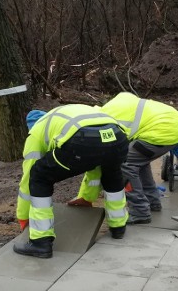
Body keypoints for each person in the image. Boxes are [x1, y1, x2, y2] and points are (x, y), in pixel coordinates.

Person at [14, 105, 129, 258]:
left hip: (83, 138)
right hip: (117, 136)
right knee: (110, 172)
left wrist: (23, 216)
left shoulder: (36, 133)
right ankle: (118, 226)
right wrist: (86, 198)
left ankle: (40, 242)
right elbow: (94, 166)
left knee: (39, 175)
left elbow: (28, 178)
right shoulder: (65, 115)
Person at [68, 92, 178, 224]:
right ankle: (152, 201)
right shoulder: (113, 107)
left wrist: (85, 196)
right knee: (138, 160)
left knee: (126, 164)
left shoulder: (104, 124)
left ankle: (140, 211)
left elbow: (98, 165)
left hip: (162, 130)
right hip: (175, 125)